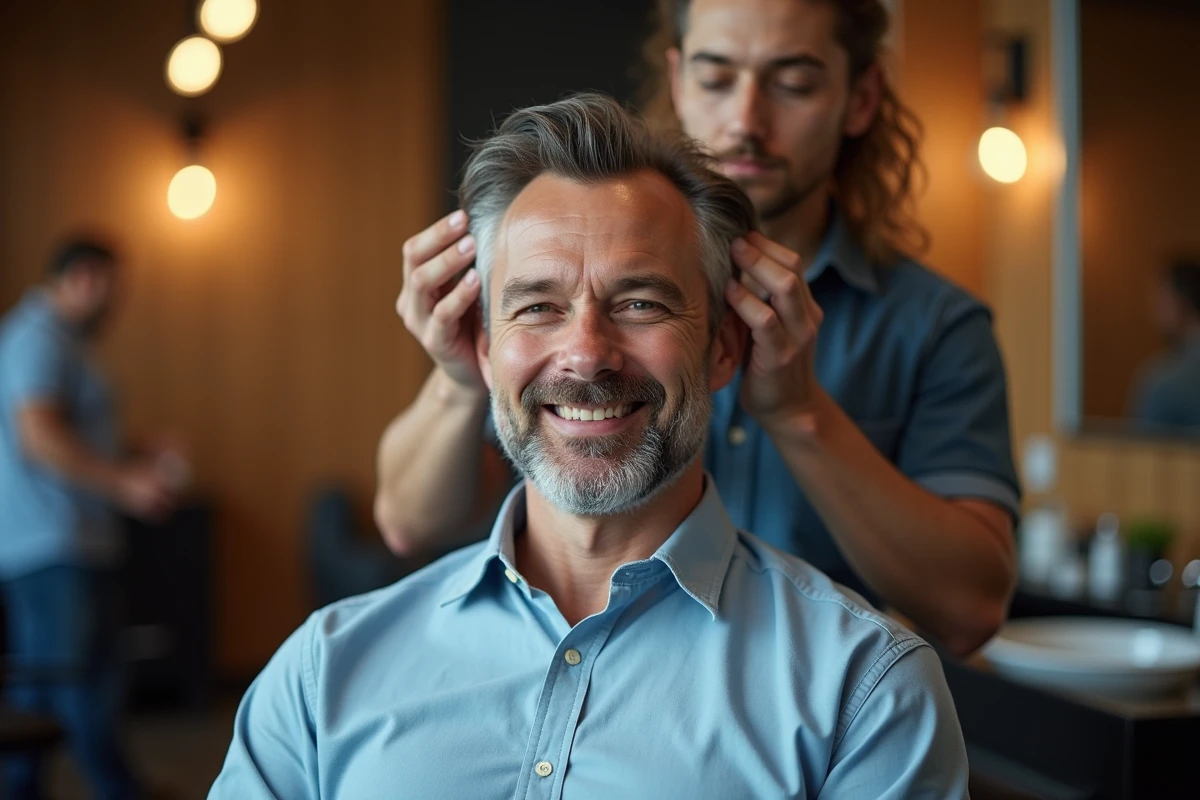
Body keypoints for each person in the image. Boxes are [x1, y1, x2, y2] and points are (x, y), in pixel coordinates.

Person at [210, 94, 968, 799]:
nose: (586, 354)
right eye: (538, 306)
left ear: (726, 347)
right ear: (480, 349)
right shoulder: (324, 671)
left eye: (639, 302)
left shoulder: (865, 692)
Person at [376, 0, 1020, 658]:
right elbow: (408, 522)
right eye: (717, 80)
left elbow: (971, 608)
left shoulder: (935, 325)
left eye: (793, 83)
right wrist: (462, 379)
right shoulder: (559, 299)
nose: (746, 121)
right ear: (679, 82)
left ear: (861, 97)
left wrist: (801, 413)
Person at [0, 236, 178, 800]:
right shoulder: (37, 336)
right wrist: (124, 481)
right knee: (67, 685)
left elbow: (71, 431)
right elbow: (39, 435)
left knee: (75, 683)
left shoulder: (65, 344)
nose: (116, 303)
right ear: (84, 276)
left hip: (74, 540)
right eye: (113, 288)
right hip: (49, 544)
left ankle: (112, 787)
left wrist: (132, 451)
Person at [1130, 259, 1200, 431]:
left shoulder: (1163, 381)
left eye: (1160, 295)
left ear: (1181, 301)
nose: (1153, 307)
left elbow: (1140, 454)